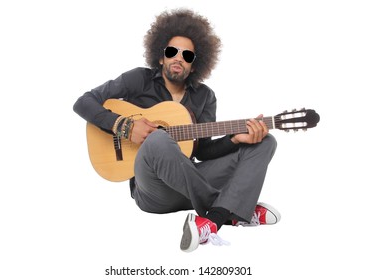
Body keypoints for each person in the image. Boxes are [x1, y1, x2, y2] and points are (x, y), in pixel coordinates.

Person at [73, 8, 280, 252]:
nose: (178, 58)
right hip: (153, 190)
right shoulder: (138, 80)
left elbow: (203, 151)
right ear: (161, 57)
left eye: (187, 55)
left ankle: (212, 220)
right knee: (158, 139)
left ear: (194, 65)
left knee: (265, 142)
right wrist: (125, 126)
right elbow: (83, 102)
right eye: (172, 52)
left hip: (189, 184)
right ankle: (234, 209)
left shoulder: (205, 96)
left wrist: (235, 139)